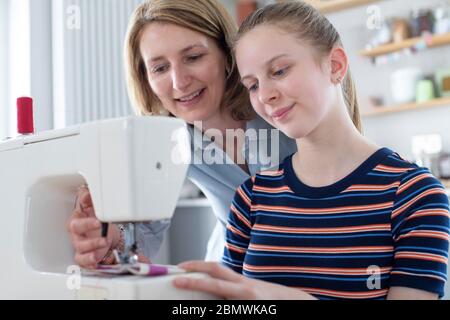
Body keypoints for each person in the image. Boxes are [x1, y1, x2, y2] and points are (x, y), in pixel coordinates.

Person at [173, 1, 450, 300]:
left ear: (335, 65)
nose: (265, 95)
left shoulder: (415, 194)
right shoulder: (251, 199)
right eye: (252, 85)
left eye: (279, 70)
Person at [66, 0, 296, 269]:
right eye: (160, 68)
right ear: (146, 78)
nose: (179, 82)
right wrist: (109, 238)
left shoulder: (277, 103)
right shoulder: (168, 141)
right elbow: (144, 233)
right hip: (234, 274)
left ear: (226, 51)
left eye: (193, 57)